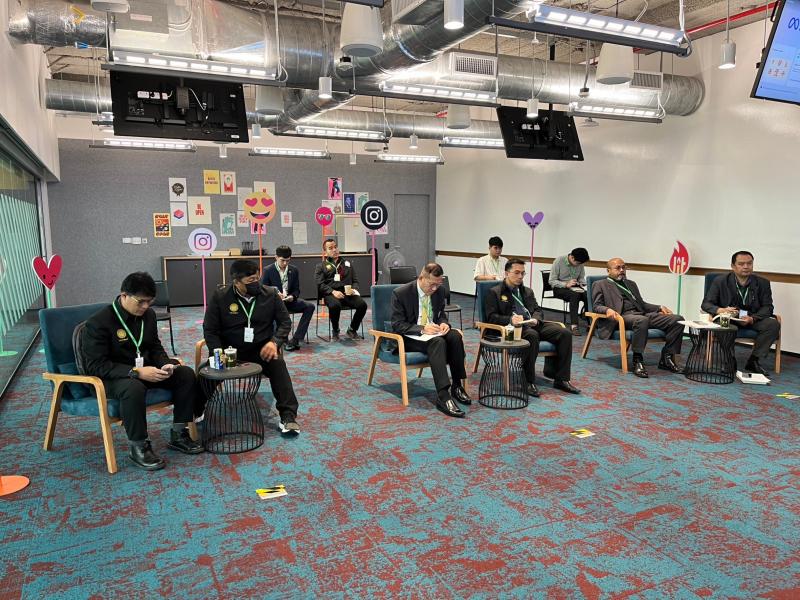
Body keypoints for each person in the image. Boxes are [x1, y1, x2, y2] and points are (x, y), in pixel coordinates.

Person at [81, 272, 203, 471]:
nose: (146, 306)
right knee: (133, 387)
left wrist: (165, 364)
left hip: (145, 372)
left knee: (185, 374)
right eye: (141, 301)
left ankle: (179, 434)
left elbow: (154, 346)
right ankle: (139, 446)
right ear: (124, 295)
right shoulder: (98, 322)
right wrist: (135, 372)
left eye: (150, 301)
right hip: (112, 377)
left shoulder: (149, 316)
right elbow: (95, 365)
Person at [204, 259, 300, 435]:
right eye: (250, 280)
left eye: (257, 278)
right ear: (236, 282)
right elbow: (210, 329)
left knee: (278, 365)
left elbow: (285, 323)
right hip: (230, 353)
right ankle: (196, 410)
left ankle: (288, 416)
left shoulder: (270, 294)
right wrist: (217, 353)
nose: (256, 283)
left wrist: (275, 342)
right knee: (205, 374)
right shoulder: (220, 297)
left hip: (261, 351)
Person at [485, 259, 580, 396]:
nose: (520, 276)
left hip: (531, 324)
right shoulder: (495, 292)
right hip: (512, 329)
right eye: (516, 273)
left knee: (564, 332)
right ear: (506, 273)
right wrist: (510, 319)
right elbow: (491, 317)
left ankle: (561, 379)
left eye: (523, 273)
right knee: (532, 335)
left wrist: (536, 319)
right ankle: (528, 380)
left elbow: (537, 310)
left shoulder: (527, 291)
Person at [391, 263, 471, 418]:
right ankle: (443, 396)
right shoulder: (401, 293)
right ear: (421, 278)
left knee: (455, 336)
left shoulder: (439, 291)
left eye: (438, 284)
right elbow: (397, 324)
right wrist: (422, 328)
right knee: (438, 342)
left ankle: (457, 385)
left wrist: (444, 323)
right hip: (409, 337)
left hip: (433, 333)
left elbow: (441, 314)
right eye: (432, 284)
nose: (434, 289)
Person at [591, 258, 684, 379]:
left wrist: (659, 307)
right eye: (618, 268)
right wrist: (607, 310)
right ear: (608, 270)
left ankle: (667, 358)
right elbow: (596, 306)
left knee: (677, 319)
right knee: (641, 320)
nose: (622, 270)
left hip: (641, 314)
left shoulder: (631, 284)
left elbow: (642, 304)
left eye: (623, 267)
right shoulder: (600, 284)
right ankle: (637, 360)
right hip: (620, 317)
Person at [701, 250, 781, 376]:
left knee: (773, 324)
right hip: (729, 317)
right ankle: (729, 360)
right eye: (741, 264)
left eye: (749, 263)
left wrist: (753, 318)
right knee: (723, 324)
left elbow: (768, 307)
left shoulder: (763, 283)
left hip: (752, 318)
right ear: (733, 266)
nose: (746, 267)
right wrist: (721, 310)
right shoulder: (720, 281)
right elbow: (706, 304)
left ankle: (754, 360)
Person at [261, 245, 315, 351]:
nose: (285, 263)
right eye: (282, 260)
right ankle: (283, 340)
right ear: (276, 257)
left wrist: (292, 296)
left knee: (310, 306)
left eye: (288, 260)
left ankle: (296, 338)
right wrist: (275, 294)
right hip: (275, 303)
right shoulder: (268, 270)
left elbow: (296, 290)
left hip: (289, 301)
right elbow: (263, 289)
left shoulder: (294, 270)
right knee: (282, 315)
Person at [314, 239, 367, 340]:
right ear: (325, 252)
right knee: (335, 305)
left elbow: (355, 280)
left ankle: (352, 329)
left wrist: (354, 290)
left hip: (347, 294)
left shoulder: (347, 264)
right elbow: (320, 284)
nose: (334, 250)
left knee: (362, 305)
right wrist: (333, 292)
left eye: (335, 247)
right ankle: (335, 330)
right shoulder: (320, 266)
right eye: (330, 248)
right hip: (331, 294)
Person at [549, 247, 590, 336]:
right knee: (575, 295)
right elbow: (552, 281)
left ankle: (591, 323)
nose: (578, 265)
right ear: (572, 257)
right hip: (559, 288)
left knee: (588, 295)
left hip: (575, 288)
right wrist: (566, 284)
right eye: (577, 263)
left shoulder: (580, 263)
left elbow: (581, 277)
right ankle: (574, 326)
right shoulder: (559, 261)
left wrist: (582, 282)